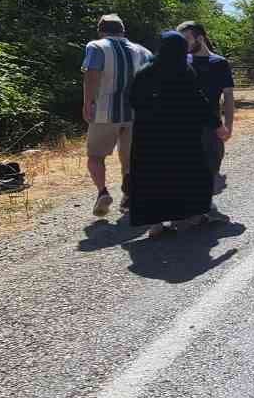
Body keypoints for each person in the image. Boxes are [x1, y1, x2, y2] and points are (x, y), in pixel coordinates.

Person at [127, 32, 224, 237]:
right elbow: (199, 102)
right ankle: (192, 218)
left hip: (148, 137)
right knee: (189, 174)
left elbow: (133, 101)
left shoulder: (144, 72)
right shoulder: (184, 71)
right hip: (182, 135)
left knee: (153, 177)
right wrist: (216, 125)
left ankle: (156, 226)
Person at [81, 14, 153, 217]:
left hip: (104, 112)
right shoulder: (142, 51)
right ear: (123, 31)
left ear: (100, 30)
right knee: (130, 158)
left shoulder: (96, 47)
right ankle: (129, 197)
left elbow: (92, 76)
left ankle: (102, 192)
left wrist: (88, 103)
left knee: (95, 156)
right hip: (135, 113)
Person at [177, 20, 233, 210]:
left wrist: (228, 125)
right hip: (185, 125)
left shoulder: (219, 63)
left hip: (213, 126)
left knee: (212, 167)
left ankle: (202, 209)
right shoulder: (181, 62)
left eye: (186, 40)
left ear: (199, 38)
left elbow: (228, 96)